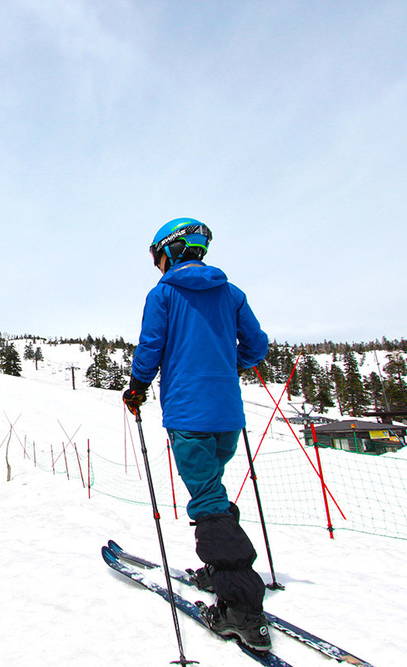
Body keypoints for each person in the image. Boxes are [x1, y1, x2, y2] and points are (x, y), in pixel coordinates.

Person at [122, 217, 271, 651]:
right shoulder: (231, 293)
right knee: (213, 492)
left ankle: (241, 610)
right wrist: (227, 366)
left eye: (158, 258)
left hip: (188, 414)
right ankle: (221, 572)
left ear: (169, 251)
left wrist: (137, 388)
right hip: (227, 415)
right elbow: (257, 347)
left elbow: (151, 346)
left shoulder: (164, 293)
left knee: (207, 502)